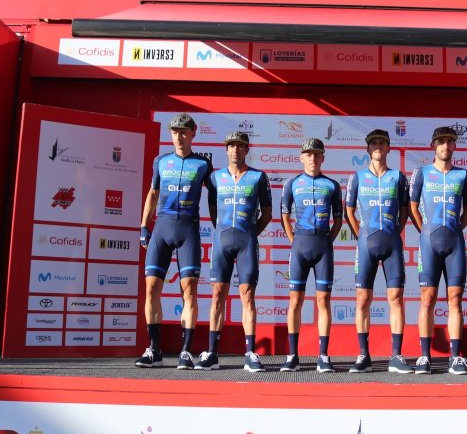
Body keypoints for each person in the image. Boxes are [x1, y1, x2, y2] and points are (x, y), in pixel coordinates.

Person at [136, 113, 216, 369]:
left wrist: (221, 227)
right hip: (162, 227)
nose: (178, 137)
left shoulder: (202, 164)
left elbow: (215, 197)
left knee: (189, 289)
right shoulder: (161, 161)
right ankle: (154, 350)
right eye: (174, 132)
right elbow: (153, 193)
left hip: (188, 229)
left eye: (183, 132)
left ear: (193, 133)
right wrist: (144, 226)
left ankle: (185, 351)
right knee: (151, 288)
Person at [197, 131, 272, 372]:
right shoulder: (215, 177)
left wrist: (250, 233)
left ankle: (250, 353)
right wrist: (221, 230)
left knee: (247, 296)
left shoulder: (258, 177)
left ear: (247, 149)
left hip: (246, 241)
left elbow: (267, 213)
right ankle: (212, 353)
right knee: (217, 294)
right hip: (222, 241)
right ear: (226, 149)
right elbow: (212, 208)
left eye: (240, 146)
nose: (235, 150)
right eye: (231, 146)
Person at [345, 129, 414, 374]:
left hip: (392, 243)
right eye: (373, 143)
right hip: (366, 244)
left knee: (396, 298)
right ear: (367, 149)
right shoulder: (357, 177)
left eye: (382, 143)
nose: (377, 146)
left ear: (388, 148)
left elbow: (405, 210)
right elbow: (349, 211)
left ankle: (396, 355)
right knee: (363, 299)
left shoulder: (398, 177)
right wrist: (362, 234)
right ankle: (363, 355)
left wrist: (395, 231)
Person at [409, 125, 467, 376]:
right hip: (429, 243)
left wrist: (454, 229)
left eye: (450, 141)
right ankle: (424, 356)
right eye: (441, 142)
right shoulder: (422, 173)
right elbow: (413, 207)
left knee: (455, 299)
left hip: (454, 242)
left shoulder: (463, 175)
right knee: (427, 299)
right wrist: (426, 231)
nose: (446, 146)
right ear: (433, 146)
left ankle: (456, 357)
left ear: (454, 145)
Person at [280, 138, 344, 372]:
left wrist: (327, 240)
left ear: (323, 158)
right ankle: (292, 355)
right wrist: (295, 240)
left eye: (317, 155)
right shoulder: (292, 184)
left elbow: (338, 219)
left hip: (323, 246)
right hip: (300, 245)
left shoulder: (332, 185)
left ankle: (323, 355)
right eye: (308, 154)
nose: (313, 158)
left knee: (323, 300)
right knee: (295, 301)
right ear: (301, 157)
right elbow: (284, 216)